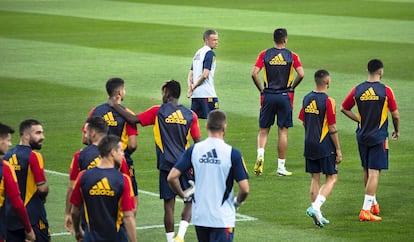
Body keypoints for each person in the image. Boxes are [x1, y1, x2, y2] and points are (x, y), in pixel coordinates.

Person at [110, 80, 201, 242]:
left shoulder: (158, 111)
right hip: (185, 165)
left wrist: (114, 105)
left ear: (167, 93)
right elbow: (198, 143)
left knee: (169, 206)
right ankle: (181, 235)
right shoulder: (190, 115)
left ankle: (170, 240)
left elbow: (132, 119)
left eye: (162, 92)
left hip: (166, 165)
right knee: (189, 200)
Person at [167, 110, 249, 242]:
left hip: (201, 217)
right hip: (222, 218)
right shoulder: (232, 153)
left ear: (206, 126)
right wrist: (237, 203)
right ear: (224, 127)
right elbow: (245, 189)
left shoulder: (194, 150)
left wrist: (183, 194)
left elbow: (172, 177)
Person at [341, 59, 400, 222]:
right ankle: (365, 210)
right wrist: (396, 129)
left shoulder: (357, 90)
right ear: (380, 72)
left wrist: (358, 120)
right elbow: (395, 115)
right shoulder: (386, 91)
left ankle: (372, 202)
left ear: (368, 71)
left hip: (362, 135)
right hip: (379, 136)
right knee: (375, 172)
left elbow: (344, 108)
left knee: (366, 169)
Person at [252, 28, 305, 176]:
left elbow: (253, 73)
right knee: (283, 131)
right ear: (285, 40)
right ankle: (281, 167)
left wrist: (262, 89)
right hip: (284, 96)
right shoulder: (292, 55)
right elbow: (301, 74)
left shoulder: (264, 54)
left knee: (264, 130)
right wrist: (292, 87)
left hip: (268, 95)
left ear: (274, 39)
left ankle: (260, 156)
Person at [64, 117, 130, 235]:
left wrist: (68, 213)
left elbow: (72, 187)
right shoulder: (119, 156)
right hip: (115, 219)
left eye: (86, 132)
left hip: (89, 217)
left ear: (93, 133)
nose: (84, 136)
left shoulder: (80, 155)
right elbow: (127, 188)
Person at [70, 135, 136, 242]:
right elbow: (128, 217)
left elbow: (75, 211)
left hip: (90, 238)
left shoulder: (83, 176)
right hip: (116, 238)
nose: (123, 154)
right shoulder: (123, 179)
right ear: (112, 152)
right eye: (121, 151)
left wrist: (78, 232)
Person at [298, 70, 342, 227]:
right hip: (324, 144)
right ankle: (315, 207)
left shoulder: (306, 98)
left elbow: (303, 120)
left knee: (315, 178)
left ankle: (318, 216)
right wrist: (338, 149)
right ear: (327, 82)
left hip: (309, 143)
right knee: (332, 177)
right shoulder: (329, 101)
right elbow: (331, 126)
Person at [88, 77, 139, 209]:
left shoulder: (95, 111)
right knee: (130, 201)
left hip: (97, 160)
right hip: (122, 162)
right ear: (120, 92)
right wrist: (123, 154)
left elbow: (85, 139)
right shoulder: (128, 114)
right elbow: (133, 144)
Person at [3, 119, 50, 241]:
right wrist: (44, 196)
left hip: (10, 218)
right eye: (38, 133)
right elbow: (42, 187)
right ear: (26, 135)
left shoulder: (7, 156)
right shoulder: (34, 156)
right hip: (33, 218)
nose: (42, 137)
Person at [0, 123, 36, 242]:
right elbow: (17, 203)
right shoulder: (5, 168)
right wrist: (28, 229)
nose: (10, 144)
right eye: (8, 140)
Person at [187, 29, 219, 119]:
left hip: (196, 95)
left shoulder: (197, 53)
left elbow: (190, 74)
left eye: (217, 40)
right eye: (214, 40)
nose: (216, 42)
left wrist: (190, 87)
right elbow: (205, 75)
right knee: (215, 122)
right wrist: (194, 86)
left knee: (193, 121)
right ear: (206, 40)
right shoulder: (210, 53)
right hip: (207, 94)